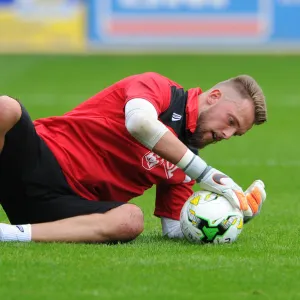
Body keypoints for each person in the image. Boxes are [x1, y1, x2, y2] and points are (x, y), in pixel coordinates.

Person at [0, 72, 267, 243]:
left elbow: (176, 231)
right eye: (230, 121)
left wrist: (233, 217)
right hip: (35, 158)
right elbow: (139, 123)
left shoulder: (185, 163)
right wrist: (207, 174)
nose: (227, 134)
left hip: (62, 206)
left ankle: (9, 235)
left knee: (130, 220)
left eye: (236, 132)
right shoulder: (159, 88)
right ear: (214, 97)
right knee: (7, 107)